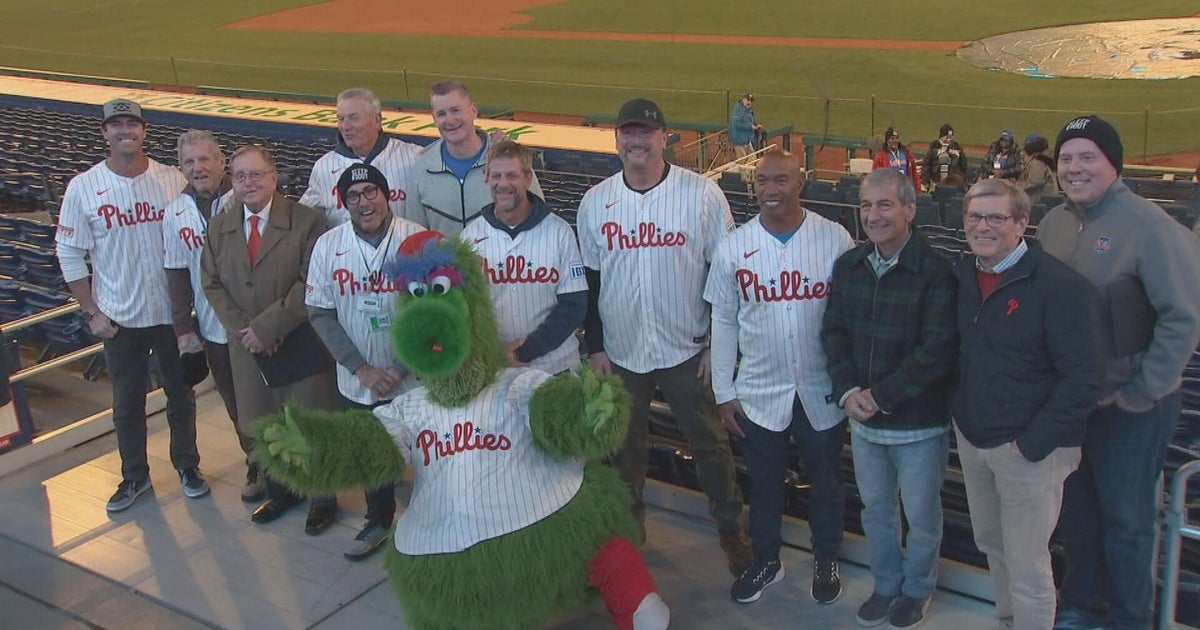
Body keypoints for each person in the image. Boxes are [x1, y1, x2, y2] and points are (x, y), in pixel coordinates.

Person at [577, 97, 752, 577]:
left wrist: (719, 343)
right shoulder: (595, 201)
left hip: (687, 349)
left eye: (645, 132)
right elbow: (590, 283)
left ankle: (731, 531)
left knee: (712, 445)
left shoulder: (702, 195)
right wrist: (595, 346)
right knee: (623, 451)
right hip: (622, 352)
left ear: (664, 137)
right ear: (617, 140)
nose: (636, 140)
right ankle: (629, 539)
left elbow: (726, 273)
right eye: (628, 132)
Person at [1038, 115, 1200, 630]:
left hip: (1131, 408)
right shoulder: (1053, 223)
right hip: (1073, 402)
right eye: (1066, 158)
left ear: (1114, 163)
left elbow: (1183, 319)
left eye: (1088, 156)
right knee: (1078, 516)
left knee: (1127, 521)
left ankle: (1132, 618)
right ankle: (1081, 608)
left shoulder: (1152, 228)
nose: (1074, 167)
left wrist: (1141, 393)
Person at [706, 148, 855, 605]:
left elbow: (850, 317)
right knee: (765, 484)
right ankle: (766, 560)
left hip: (821, 388)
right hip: (758, 388)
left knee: (827, 484)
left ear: (801, 181)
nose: (770, 190)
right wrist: (722, 390)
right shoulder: (734, 245)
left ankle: (826, 556)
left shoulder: (833, 238)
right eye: (762, 182)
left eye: (780, 181)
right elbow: (724, 320)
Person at [956, 178, 1102, 630]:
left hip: (1029, 450)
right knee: (992, 544)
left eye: (997, 217)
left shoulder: (1060, 287)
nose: (984, 226)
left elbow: (1084, 378)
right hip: (975, 439)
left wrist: (1033, 443)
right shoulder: (964, 274)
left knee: (1027, 563)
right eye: (975, 216)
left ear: (1022, 223)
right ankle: (1008, 620)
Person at [820, 167, 957, 627]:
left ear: (909, 210)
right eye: (865, 206)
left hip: (918, 425)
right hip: (863, 420)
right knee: (876, 511)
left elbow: (937, 351)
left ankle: (917, 590)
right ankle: (886, 585)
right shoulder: (849, 266)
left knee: (920, 516)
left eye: (884, 205)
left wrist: (880, 395)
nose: (872, 215)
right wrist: (847, 392)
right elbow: (834, 334)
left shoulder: (937, 272)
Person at [55, 99, 204, 512]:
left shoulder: (172, 179)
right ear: (104, 132)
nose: (125, 131)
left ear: (143, 130)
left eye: (132, 123)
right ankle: (134, 477)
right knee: (127, 405)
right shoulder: (83, 187)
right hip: (119, 318)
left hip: (171, 315)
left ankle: (188, 467)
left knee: (182, 395)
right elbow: (69, 253)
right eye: (116, 124)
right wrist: (91, 312)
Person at [200, 145, 341, 534]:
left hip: (297, 340)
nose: (249, 183)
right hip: (248, 348)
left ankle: (321, 497)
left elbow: (312, 280)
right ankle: (282, 491)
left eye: (257, 174)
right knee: (266, 425)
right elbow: (211, 285)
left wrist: (269, 328)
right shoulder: (219, 227)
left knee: (307, 422)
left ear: (274, 176)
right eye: (241, 176)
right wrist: (249, 332)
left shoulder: (305, 221)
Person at [306, 163, 425, 560]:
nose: (363, 202)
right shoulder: (328, 245)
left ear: (386, 194)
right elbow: (321, 313)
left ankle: (432, 517)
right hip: (358, 377)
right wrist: (363, 368)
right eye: (353, 196)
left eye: (371, 192)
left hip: (415, 376)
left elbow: (435, 314)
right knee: (373, 452)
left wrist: (400, 367)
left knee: (429, 449)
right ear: (343, 202)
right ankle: (378, 519)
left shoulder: (418, 240)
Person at [162, 131, 259, 501]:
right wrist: (184, 331)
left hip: (259, 322)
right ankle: (258, 464)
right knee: (237, 405)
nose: (198, 168)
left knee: (273, 398)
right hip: (215, 328)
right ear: (181, 168)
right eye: (189, 162)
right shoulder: (174, 212)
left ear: (223, 162)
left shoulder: (247, 197)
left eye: (205, 160)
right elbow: (175, 274)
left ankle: (295, 469)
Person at [461, 140, 587, 375]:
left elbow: (573, 306)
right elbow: (464, 308)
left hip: (555, 367)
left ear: (528, 178)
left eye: (512, 175)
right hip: (496, 368)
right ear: (486, 177)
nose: (503, 184)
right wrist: (493, 352)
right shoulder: (470, 236)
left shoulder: (559, 232)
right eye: (496, 175)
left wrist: (525, 351)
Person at [403, 80, 542, 237]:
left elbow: (539, 216)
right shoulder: (422, 168)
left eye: (455, 110)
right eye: (441, 114)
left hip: (503, 260)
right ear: (434, 119)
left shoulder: (508, 159)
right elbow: (415, 236)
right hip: (445, 261)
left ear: (473, 110)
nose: (449, 120)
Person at [299, 87, 421, 228]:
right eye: (341, 119)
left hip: (402, 248)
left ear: (377, 120)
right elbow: (301, 219)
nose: (345, 126)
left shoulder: (413, 157)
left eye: (353, 118)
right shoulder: (324, 167)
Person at [871, 127, 921, 193]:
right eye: (892, 138)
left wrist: (917, 188)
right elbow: (876, 176)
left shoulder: (907, 153)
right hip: (889, 192)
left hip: (905, 190)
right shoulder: (880, 157)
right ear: (887, 141)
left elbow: (914, 172)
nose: (895, 141)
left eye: (897, 138)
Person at [921, 124, 967, 191]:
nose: (949, 140)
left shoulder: (957, 147)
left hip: (952, 183)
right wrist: (925, 181)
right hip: (936, 182)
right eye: (947, 137)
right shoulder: (934, 146)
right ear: (941, 136)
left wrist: (962, 179)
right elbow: (926, 165)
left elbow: (963, 165)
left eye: (950, 137)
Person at [1016, 133, 1057, 205]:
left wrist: (1016, 186)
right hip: (1041, 200)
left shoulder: (1038, 163)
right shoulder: (1040, 160)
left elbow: (1035, 182)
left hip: (1039, 202)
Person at [729, 93, 761, 159]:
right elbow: (736, 124)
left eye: (750, 101)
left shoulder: (749, 109)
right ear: (743, 99)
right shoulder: (738, 110)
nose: (749, 102)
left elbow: (752, 118)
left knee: (753, 158)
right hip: (739, 140)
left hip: (747, 139)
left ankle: (749, 169)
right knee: (742, 162)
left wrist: (756, 124)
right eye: (747, 100)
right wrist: (750, 127)